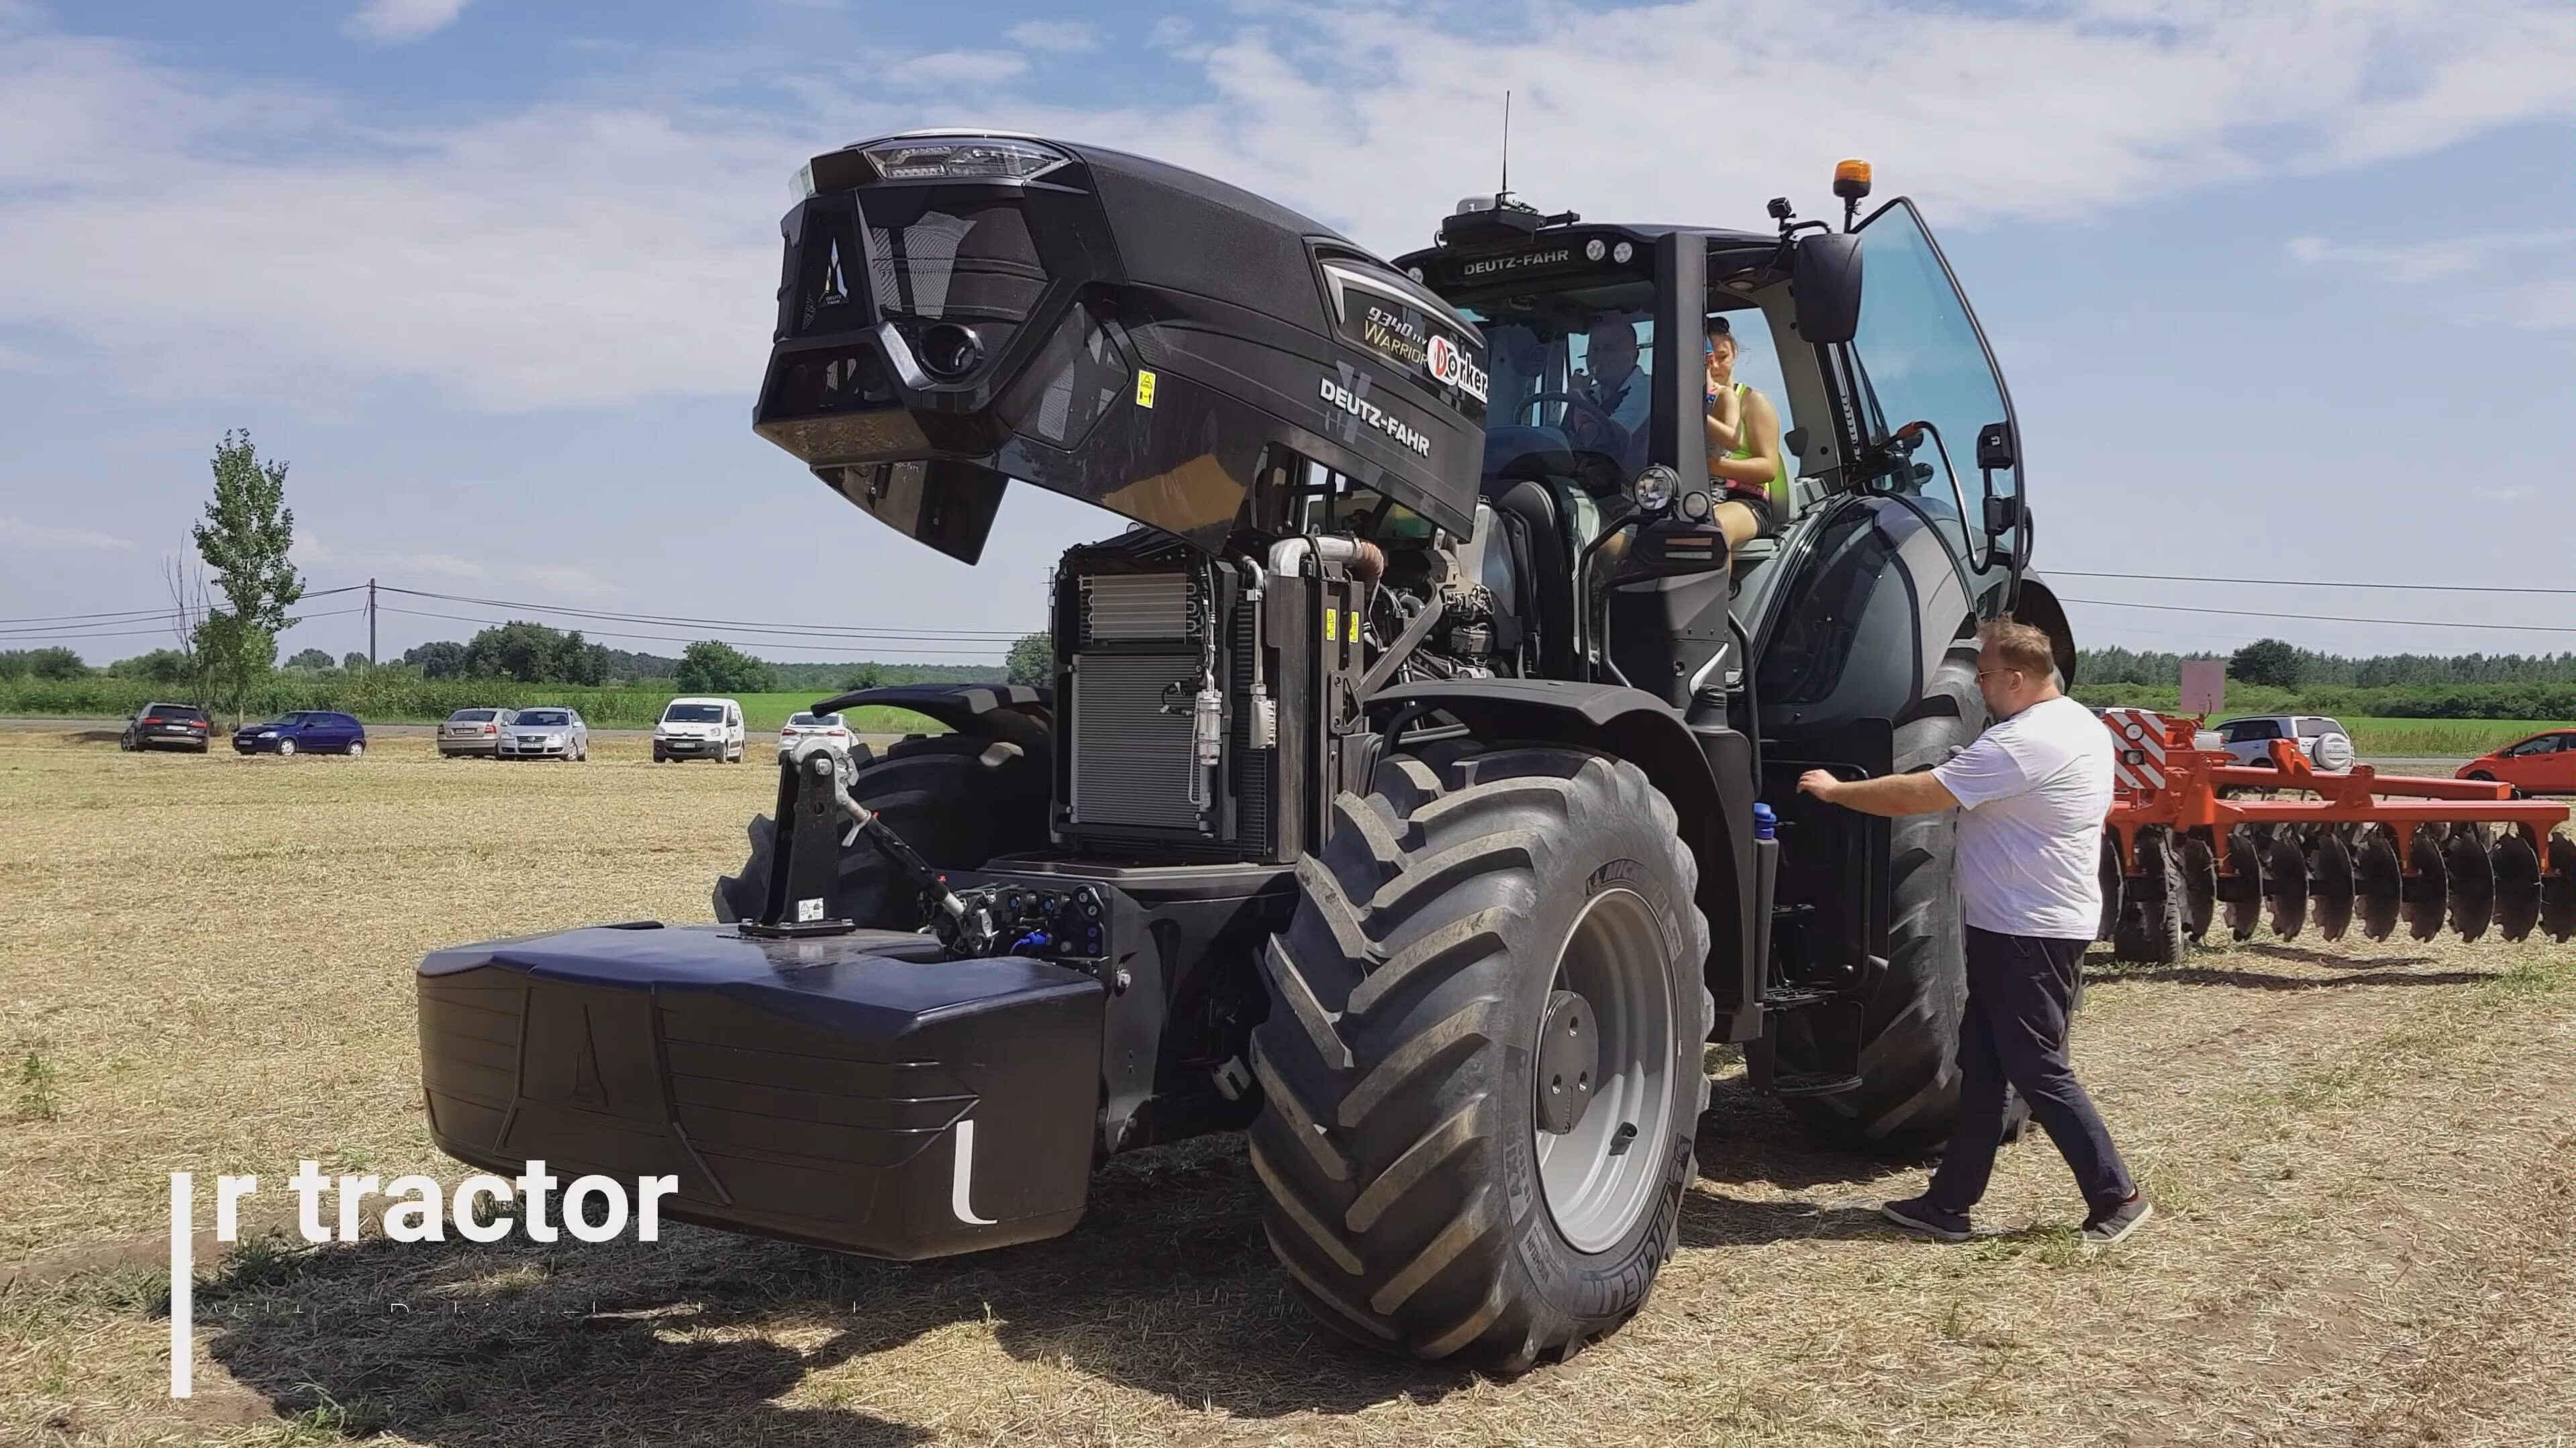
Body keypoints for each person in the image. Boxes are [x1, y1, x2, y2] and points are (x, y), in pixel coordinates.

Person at [1795, 618, 2152, 1248]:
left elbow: (1918, 795)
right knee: (1984, 1068)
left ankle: (2116, 1195)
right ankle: (1949, 1205)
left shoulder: (2026, 741)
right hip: (2018, 924)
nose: (1980, 685)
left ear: (2017, 678)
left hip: (2029, 930)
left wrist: (1836, 792)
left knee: (2036, 1067)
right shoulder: (2077, 724)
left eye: (1985, 674)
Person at [1701, 315, 1785, 549]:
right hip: (1695, 493)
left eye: (1723, 357)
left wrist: (1714, 466)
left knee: (1713, 530)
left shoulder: (1752, 402)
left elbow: (1768, 469)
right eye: (1708, 359)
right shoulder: (1683, 403)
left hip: (1745, 500)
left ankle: (1717, 587)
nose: (1715, 366)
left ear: (1735, 354)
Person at [1565, 317, 1652, 472]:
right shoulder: (1590, 392)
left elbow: (1604, 441)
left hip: (1629, 489)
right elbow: (1564, 439)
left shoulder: (1646, 388)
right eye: (1594, 349)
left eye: (1609, 349)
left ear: (1635, 356)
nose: (1599, 358)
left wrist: (1577, 396)